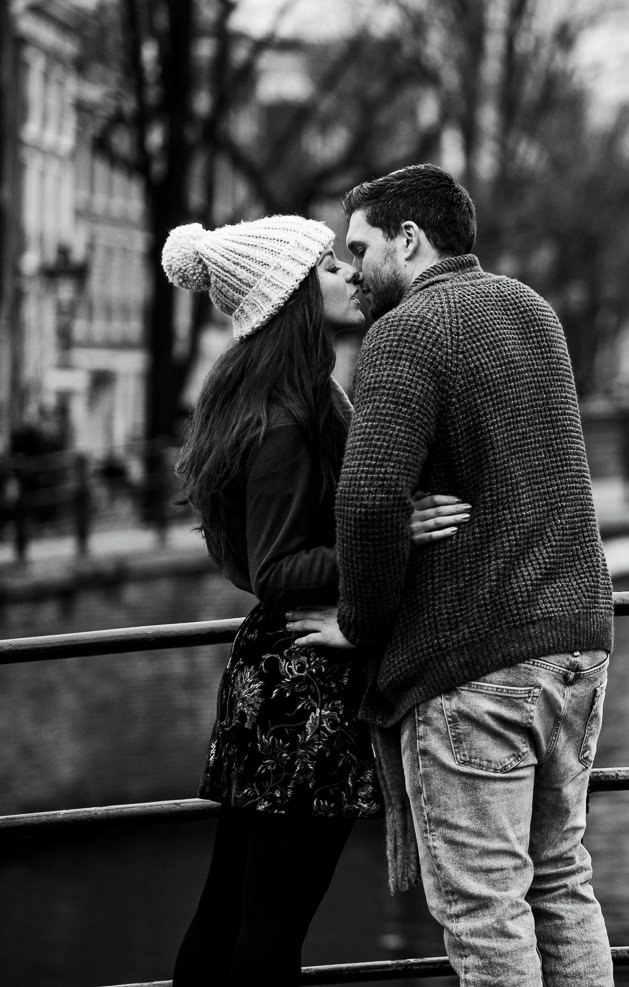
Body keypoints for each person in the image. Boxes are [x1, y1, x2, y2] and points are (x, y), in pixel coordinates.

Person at [287, 163, 615, 987]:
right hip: (576, 646)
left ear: (409, 238)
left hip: (477, 663)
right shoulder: (531, 310)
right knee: (561, 880)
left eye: (358, 247)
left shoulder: (406, 331)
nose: (350, 267)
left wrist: (360, 624)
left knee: (485, 908)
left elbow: (365, 501)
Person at [161, 214, 471, 986]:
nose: (346, 272)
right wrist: (392, 531)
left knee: (235, 906)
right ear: (294, 294)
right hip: (302, 684)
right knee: (269, 921)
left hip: (281, 675)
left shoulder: (296, 394)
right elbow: (276, 567)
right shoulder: (286, 416)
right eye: (327, 266)